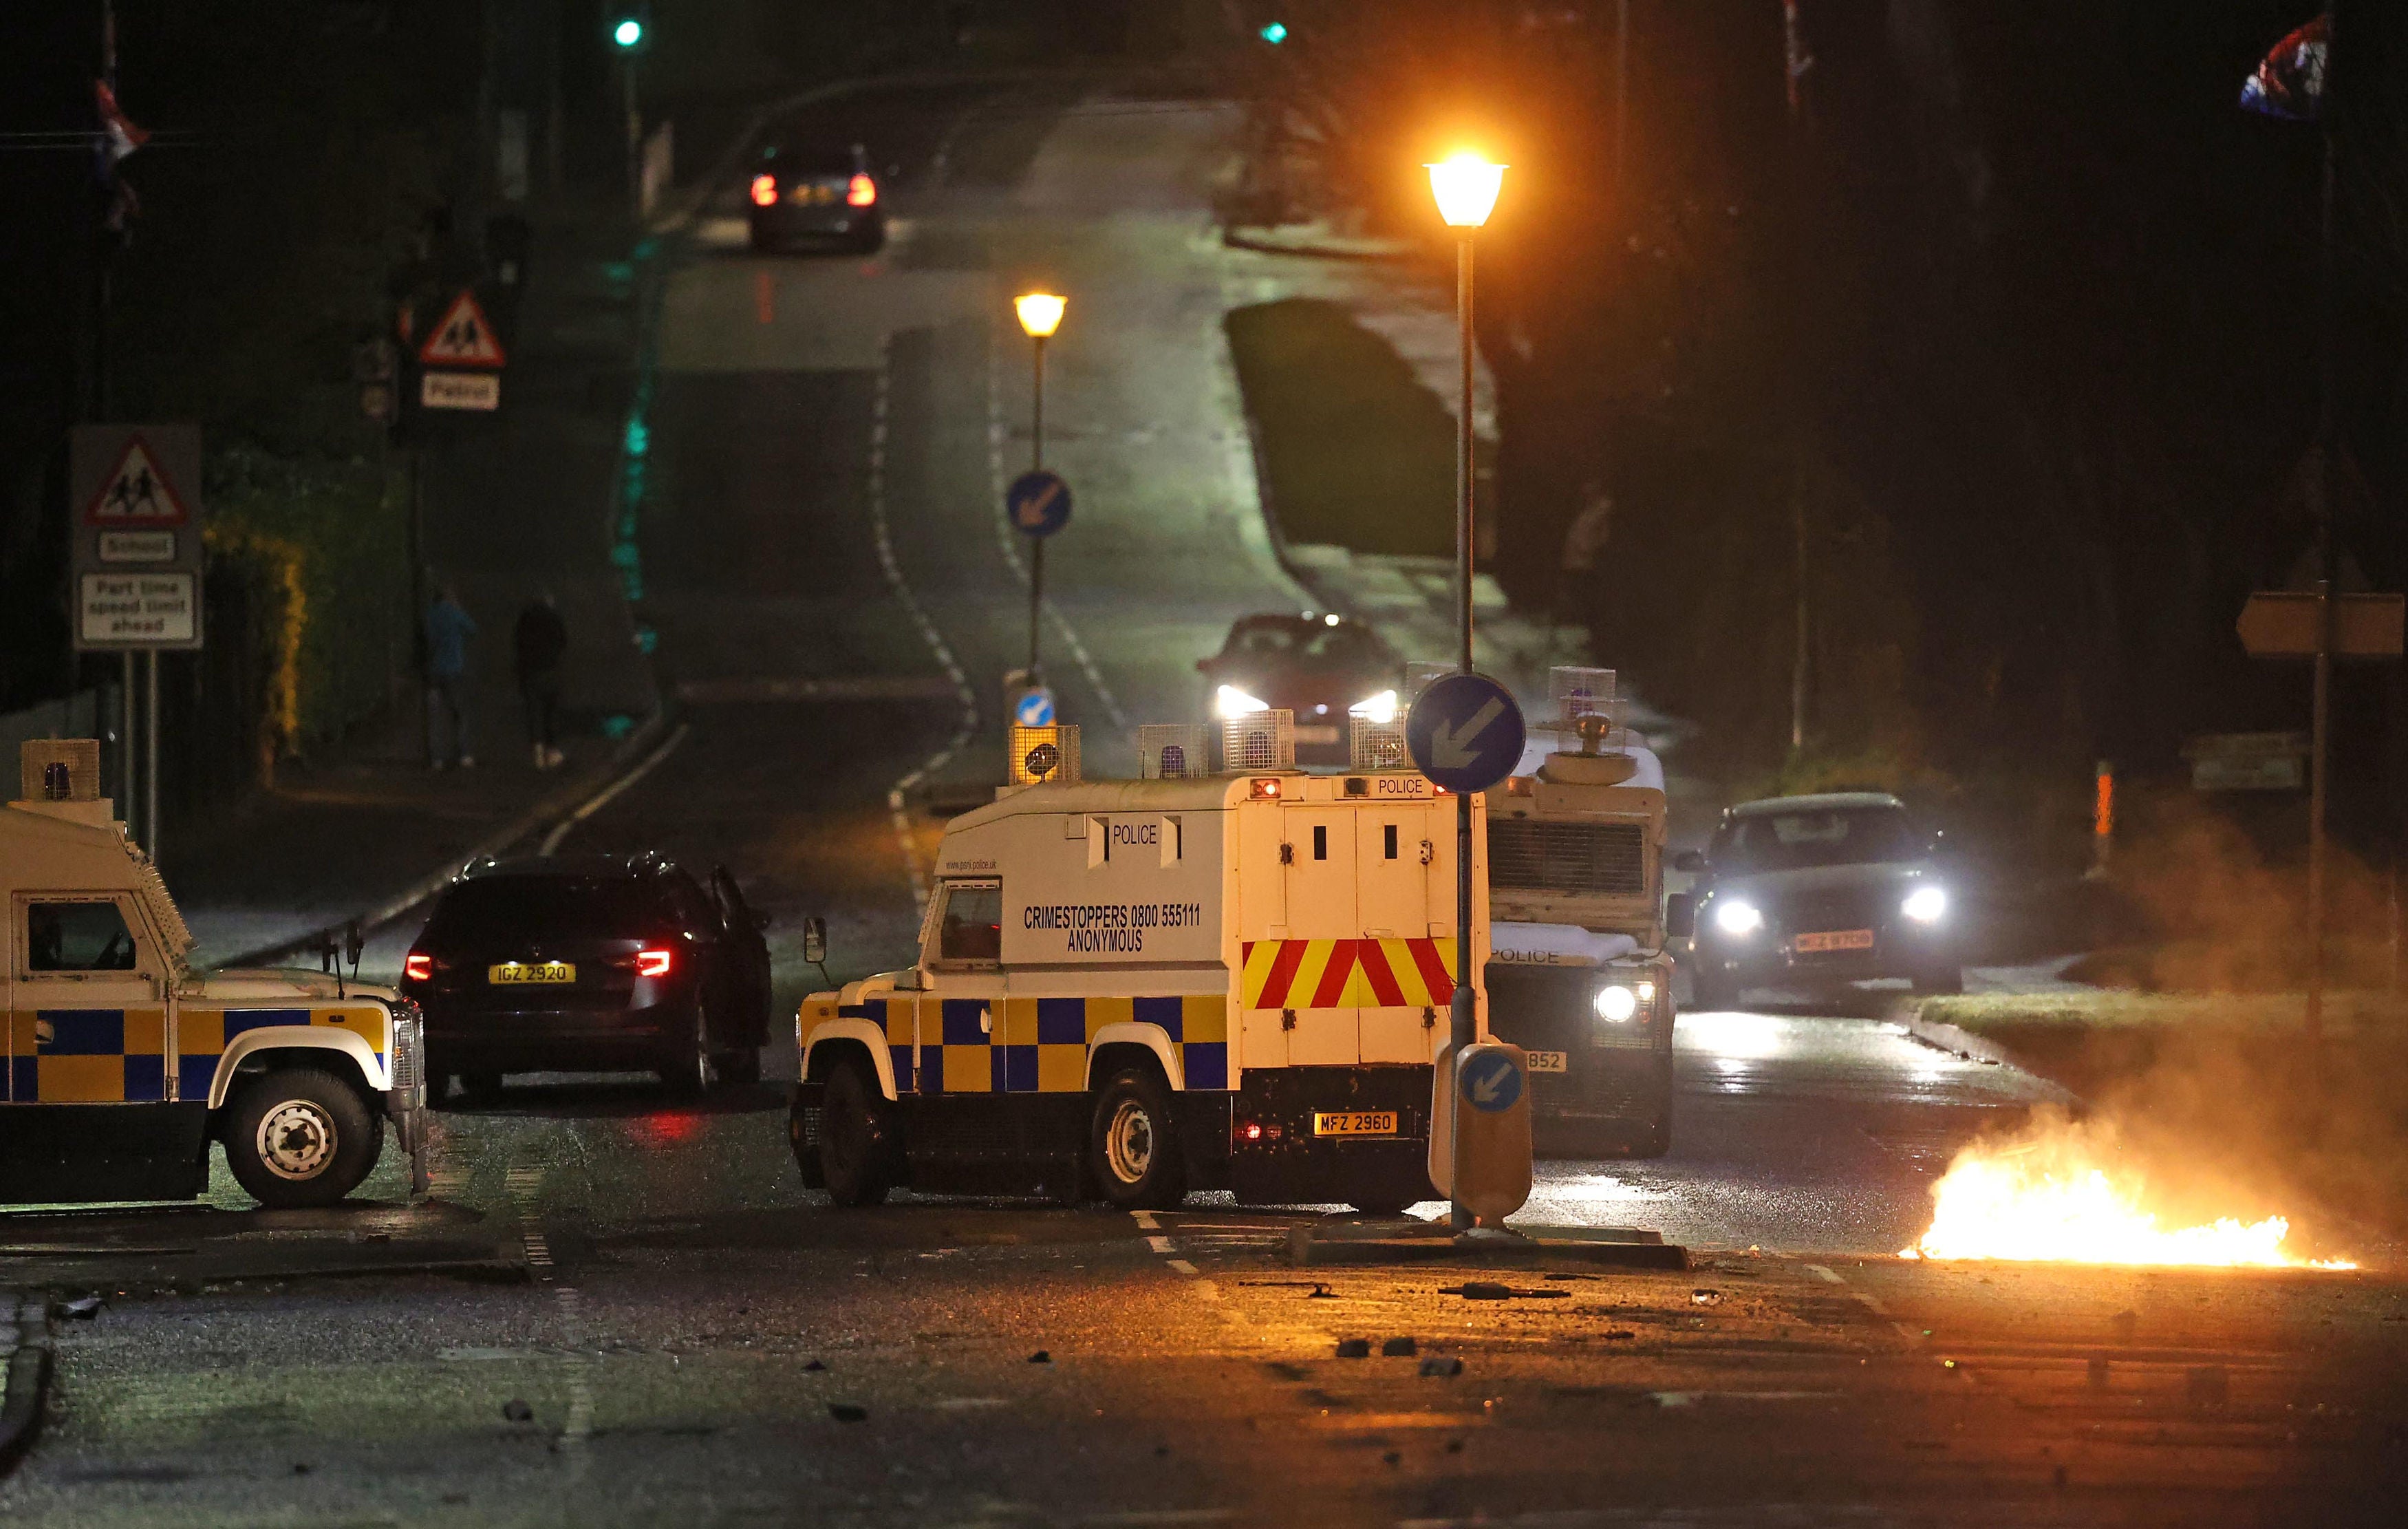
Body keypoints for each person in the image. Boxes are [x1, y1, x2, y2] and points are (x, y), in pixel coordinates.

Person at [513, 592, 569, 770]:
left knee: (533, 711)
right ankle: (551, 750)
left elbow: (518, 642)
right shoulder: (554, 619)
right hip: (550, 669)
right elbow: (563, 640)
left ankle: (537, 747)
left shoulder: (526, 619)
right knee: (550, 711)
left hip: (529, 671)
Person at [424, 586, 477, 769]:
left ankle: (436, 758)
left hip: (434, 671)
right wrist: (459, 609)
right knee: (460, 712)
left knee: (435, 715)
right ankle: (463, 754)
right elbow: (472, 629)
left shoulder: (430, 614)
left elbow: (428, 640)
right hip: (454, 669)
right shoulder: (455, 614)